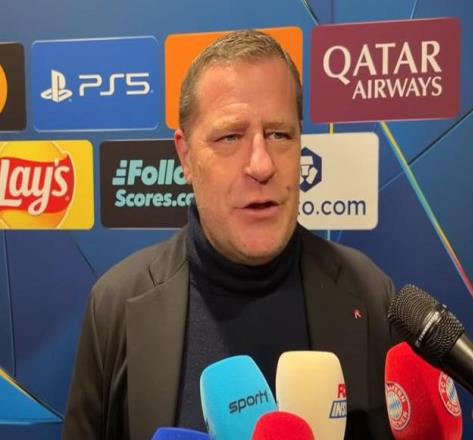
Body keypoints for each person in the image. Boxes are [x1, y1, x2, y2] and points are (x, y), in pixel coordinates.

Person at [63, 30, 396, 439]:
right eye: (230, 137)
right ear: (186, 157)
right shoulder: (115, 305)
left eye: (279, 134)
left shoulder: (368, 293)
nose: (261, 164)